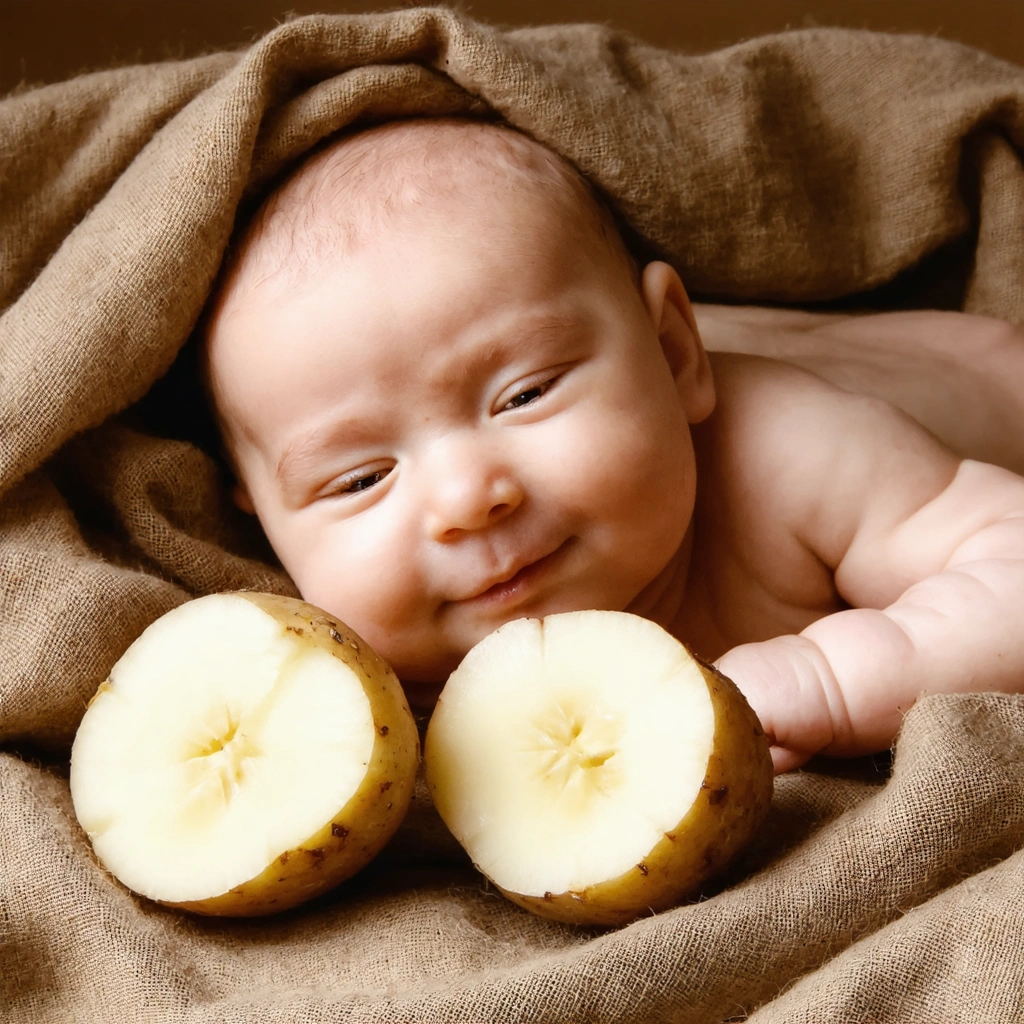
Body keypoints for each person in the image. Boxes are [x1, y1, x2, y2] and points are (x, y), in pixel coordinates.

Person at [202, 116, 1024, 773]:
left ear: (673, 354)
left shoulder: (786, 457)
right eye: (359, 479)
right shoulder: (358, 680)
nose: (465, 500)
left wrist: (832, 682)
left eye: (524, 395)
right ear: (261, 516)